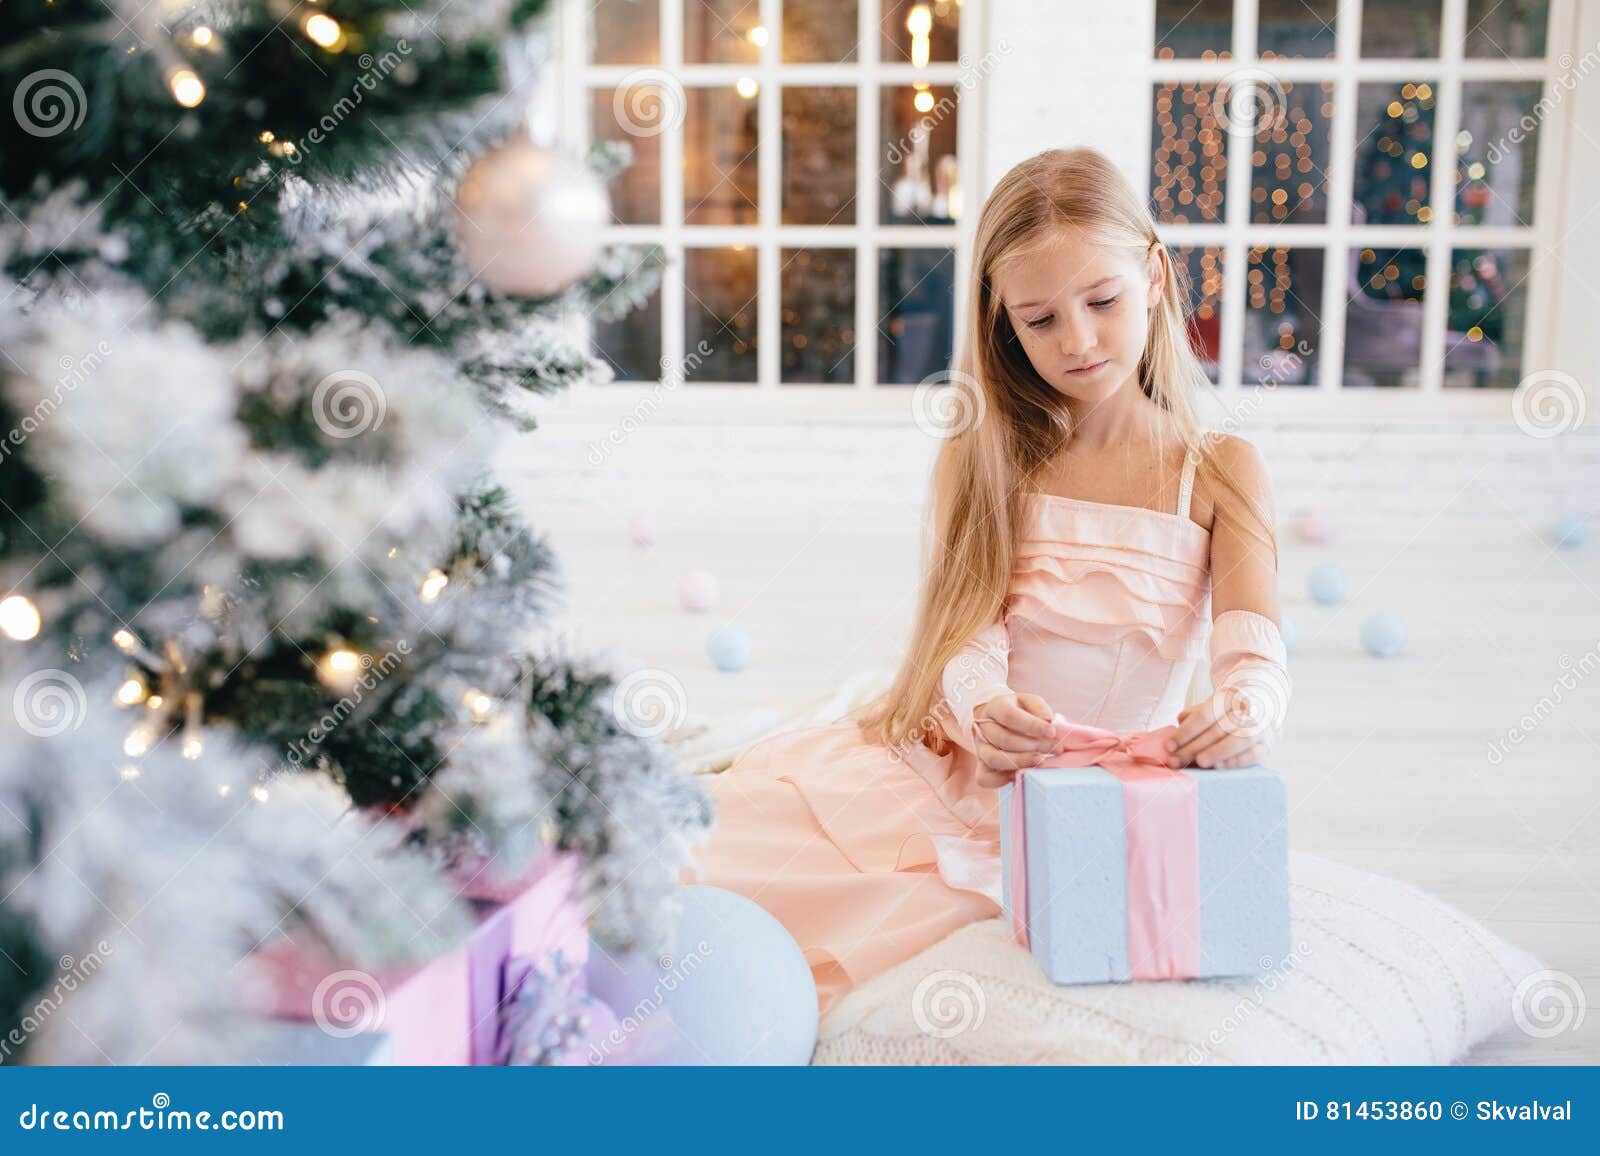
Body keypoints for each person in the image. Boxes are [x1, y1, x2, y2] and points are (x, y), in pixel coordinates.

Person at [685, 146, 1291, 1021]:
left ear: (1154, 275)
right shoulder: (992, 459)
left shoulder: (1220, 470)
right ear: (1004, 324)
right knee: (725, 852)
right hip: (957, 770)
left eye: (1102, 301)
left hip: (1086, 803)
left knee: (875, 929)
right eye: (1040, 320)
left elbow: (1254, 657)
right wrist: (981, 708)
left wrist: (1244, 714)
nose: (1077, 341)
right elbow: (970, 635)